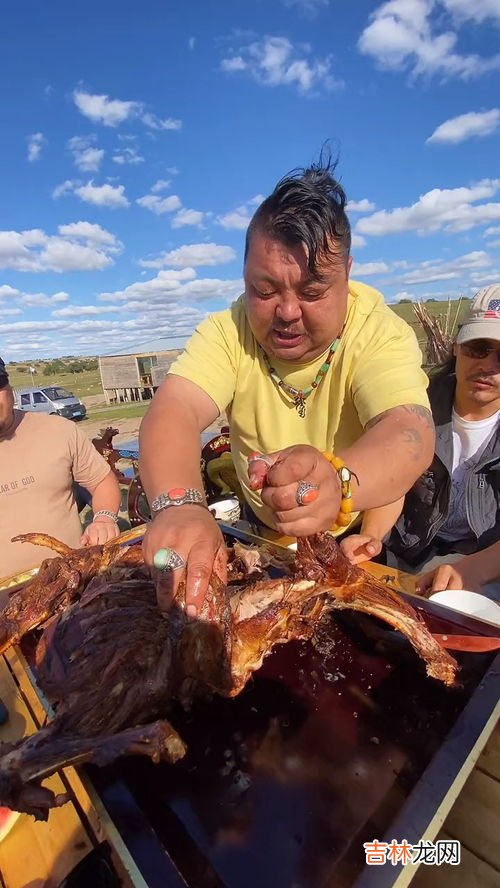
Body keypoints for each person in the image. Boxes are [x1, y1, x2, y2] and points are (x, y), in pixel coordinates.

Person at [139, 158, 435, 616]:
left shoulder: (378, 331)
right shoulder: (228, 330)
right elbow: (174, 408)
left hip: (354, 530)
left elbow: (408, 432)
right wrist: (178, 505)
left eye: (314, 291)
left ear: (347, 273)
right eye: (265, 289)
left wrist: (338, 483)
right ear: (243, 274)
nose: (288, 312)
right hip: (261, 532)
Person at [341, 284, 500, 601]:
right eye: (478, 348)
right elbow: (393, 478)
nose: (488, 366)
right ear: (456, 346)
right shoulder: (412, 410)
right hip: (408, 557)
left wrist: (472, 570)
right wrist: (371, 536)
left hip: (485, 564)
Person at [0, 357, 121, 579]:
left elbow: (102, 481)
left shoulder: (59, 431)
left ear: (10, 389)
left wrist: (103, 518)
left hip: (74, 587)